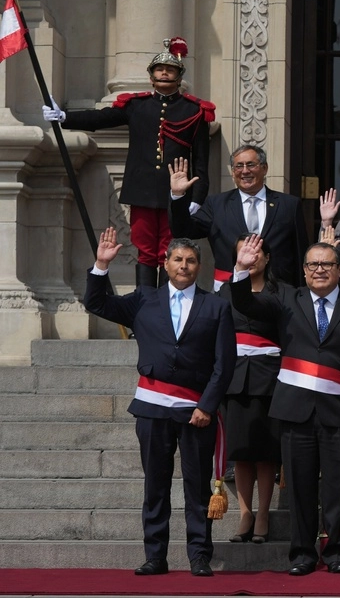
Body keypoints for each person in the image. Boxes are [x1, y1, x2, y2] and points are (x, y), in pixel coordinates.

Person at [82, 229, 235, 577]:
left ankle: (199, 556)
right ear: (165, 264)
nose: (184, 266)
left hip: (195, 411)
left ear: (199, 266)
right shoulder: (144, 299)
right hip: (152, 409)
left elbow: (225, 364)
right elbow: (97, 303)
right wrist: (101, 266)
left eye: (191, 260)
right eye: (178, 259)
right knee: (156, 485)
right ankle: (155, 556)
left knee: (197, 488)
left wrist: (207, 406)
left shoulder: (216, 305)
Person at [229, 237, 340, 576]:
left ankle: (338, 551)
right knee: (299, 485)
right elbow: (246, 305)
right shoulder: (287, 299)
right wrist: (241, 268)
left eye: (327, 264)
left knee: (338, 487)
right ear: (304, 270)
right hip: (295, 409)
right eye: (313, 264)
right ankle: (302, 554)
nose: (319, 270)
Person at [46, 38, 214, 288]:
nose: (165, 73)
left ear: (179, 77)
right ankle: (145, 309)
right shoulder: (136, 105)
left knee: (172, 252)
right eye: (159, 69)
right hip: (142, 190)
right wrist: (64, 117)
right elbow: (101, 118)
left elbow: (201, 161)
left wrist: (197, 198)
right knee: (145, 252)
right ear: (151, 76)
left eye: (170, 70)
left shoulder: (195, 112)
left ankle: (168, 310)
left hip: (177, 196)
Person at [217, 233, 284, 544]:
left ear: (268, 258)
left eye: (258, 251)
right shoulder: (224, 293)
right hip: (234, 377)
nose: (252, 255)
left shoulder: (280, 292)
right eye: (244, 250)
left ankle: (263, 513)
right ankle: (245, 513)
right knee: (241, 452)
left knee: (265, 452)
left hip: (268, 377)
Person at [169, 146, 309, 288]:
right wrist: (178, 196)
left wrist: (302, 293)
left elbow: (299, 253)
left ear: (264, 168)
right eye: (238, 166)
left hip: (278, 290)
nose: (245, 171)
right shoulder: (216, 204)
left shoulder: (289, 205)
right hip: (229, 288)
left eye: (250, 165)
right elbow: (183, 231)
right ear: (233, 172)